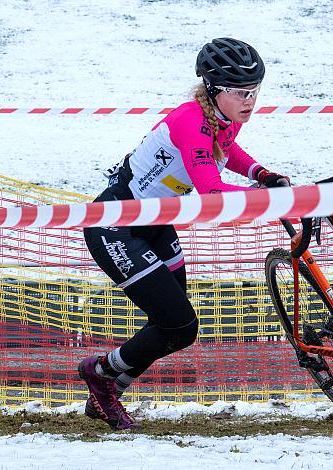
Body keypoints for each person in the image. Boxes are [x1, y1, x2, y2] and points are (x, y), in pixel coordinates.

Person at [78, 37, 291, 430]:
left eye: (255, 91)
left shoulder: (221, 117)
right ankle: (101, 372)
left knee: (181, 329)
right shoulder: (191, 123)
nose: (251, 100)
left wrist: (261, 174)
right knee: (176, 322)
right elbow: (212, 192)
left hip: (156, 221)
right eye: (242, 92)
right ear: (214, 89)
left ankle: (108, 383)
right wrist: (263, 197)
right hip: (115, 227)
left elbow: (227, 152)